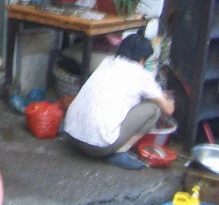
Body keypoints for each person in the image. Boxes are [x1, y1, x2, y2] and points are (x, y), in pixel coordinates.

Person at [64, 34, 175, 170]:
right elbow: (168, 110)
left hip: (71, 136)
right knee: (154, 110)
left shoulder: (107, 62)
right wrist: (167, 99)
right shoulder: (142, 76)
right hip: (97, 148)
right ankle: (120, 152)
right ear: (142, 59)